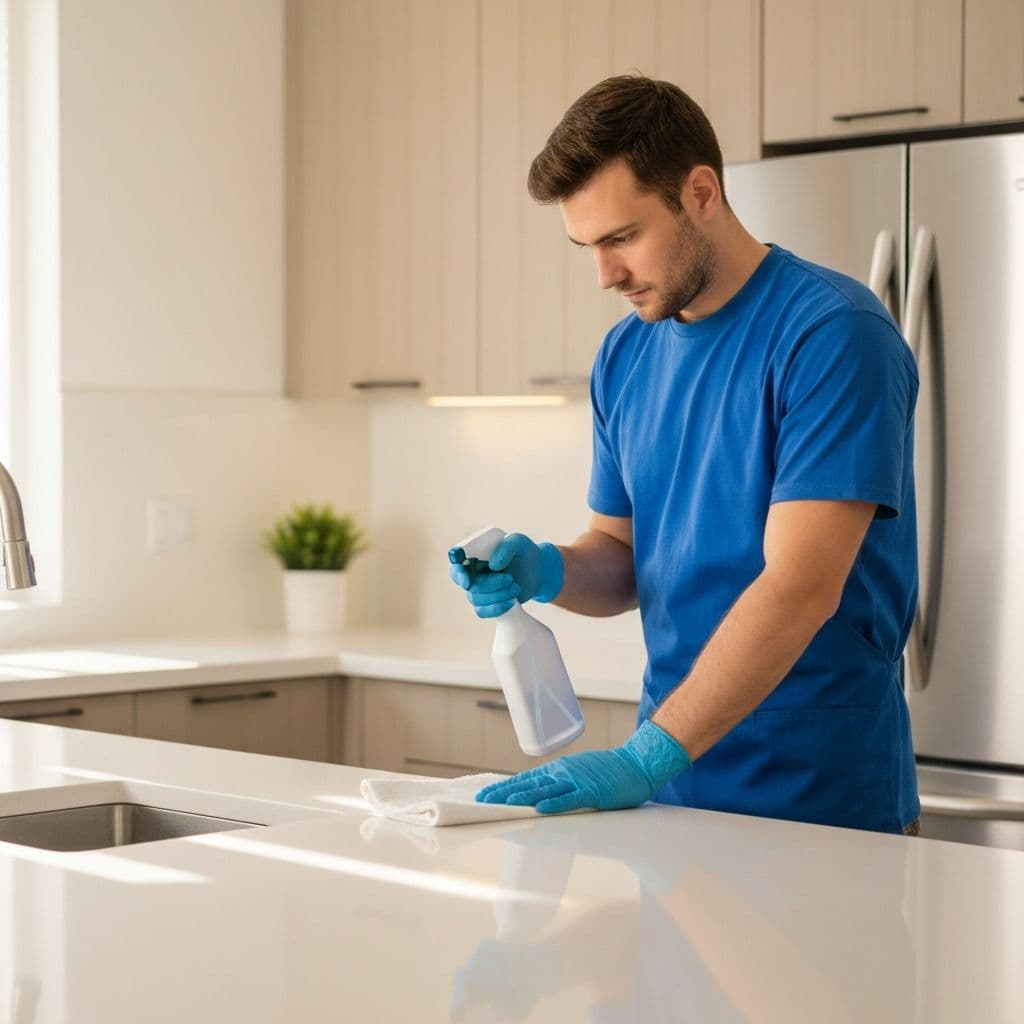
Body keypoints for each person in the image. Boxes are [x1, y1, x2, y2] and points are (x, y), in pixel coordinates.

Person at [449, 74, 921, 835]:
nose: (605, 276)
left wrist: (644, 758)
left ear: (701, 193)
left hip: (820, 803)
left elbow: (800, 586)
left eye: (621, 238)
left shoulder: (833, 334)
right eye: (587, 247)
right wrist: (547, 570)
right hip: (672, 797)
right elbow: (622, 555)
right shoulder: (625, 355)